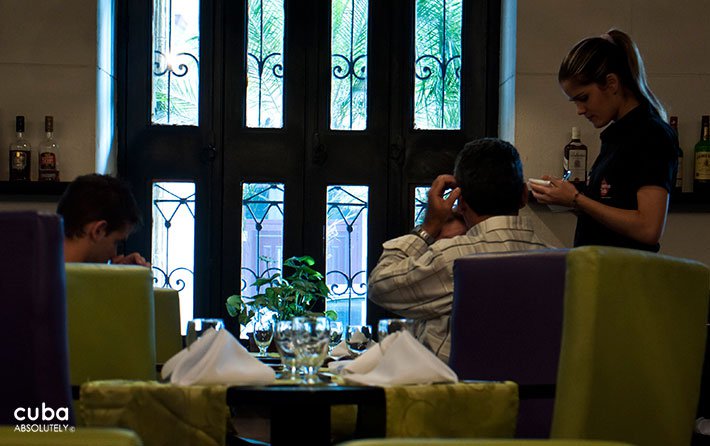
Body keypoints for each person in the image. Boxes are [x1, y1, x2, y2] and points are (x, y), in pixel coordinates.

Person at [368, 138, 548, 362]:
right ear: (523, 196)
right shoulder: (564, 263)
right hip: (536, 394)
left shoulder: (455, 259)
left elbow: (379, 286)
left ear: (460, 202)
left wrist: (428, 227)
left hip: (458, 391)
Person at [529, 29, 679, 252]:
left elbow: (648, 228)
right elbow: (612, 213)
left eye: (584, 98)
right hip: (603, 273)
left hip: (625, 277)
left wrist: (577, 199)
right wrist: (564, 198)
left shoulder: (651, 135)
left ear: (611, 83)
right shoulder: (618, 137)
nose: (580, 110)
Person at [57, 173, 150, 266]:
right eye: (116, 242)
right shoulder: (50, 278)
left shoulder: (45, 268)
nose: (115, 255)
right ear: (98, 230)